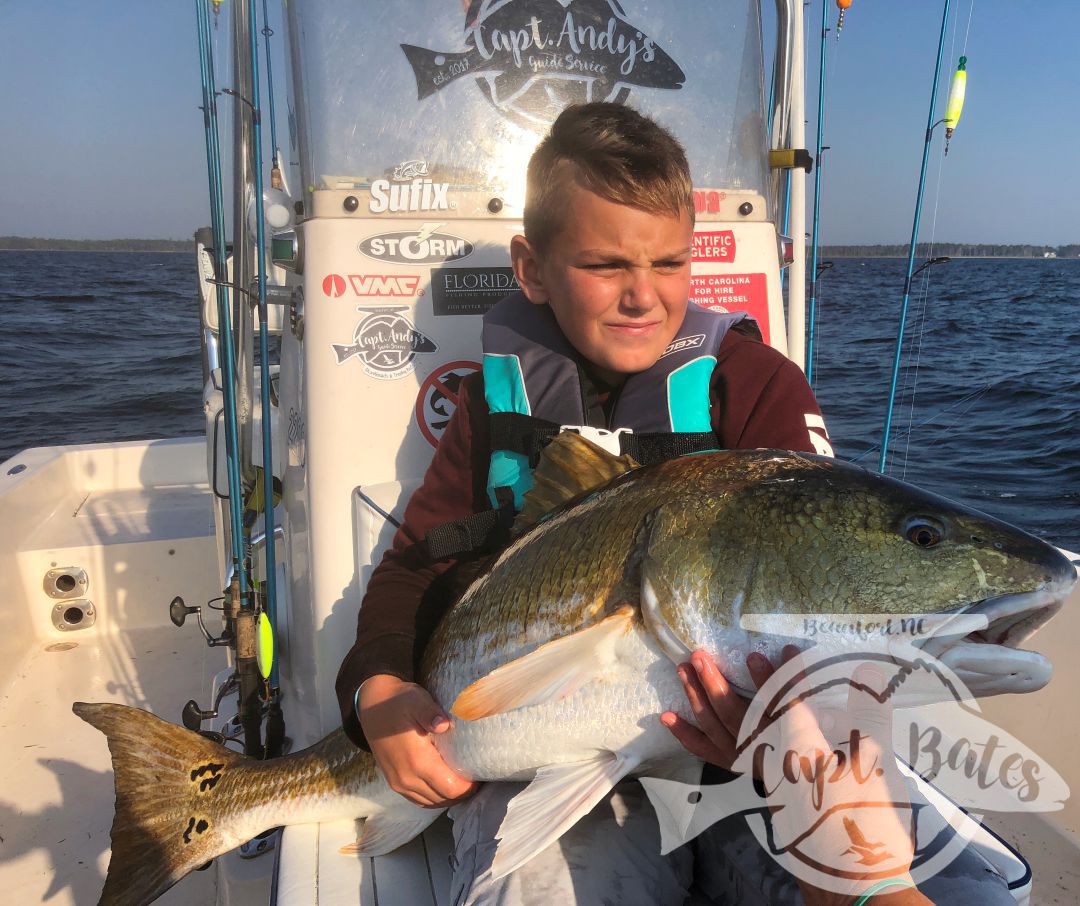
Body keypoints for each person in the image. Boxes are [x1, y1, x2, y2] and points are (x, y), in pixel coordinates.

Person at [334, 103, 1008, 904]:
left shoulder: (752, 385)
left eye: (670, 263)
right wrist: (376, 688)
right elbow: (415, 563)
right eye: (605, 264)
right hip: (552, 752)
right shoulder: (489, 408)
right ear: (533, 268)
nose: (642, 296)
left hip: (759, 763)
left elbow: (821, 557)